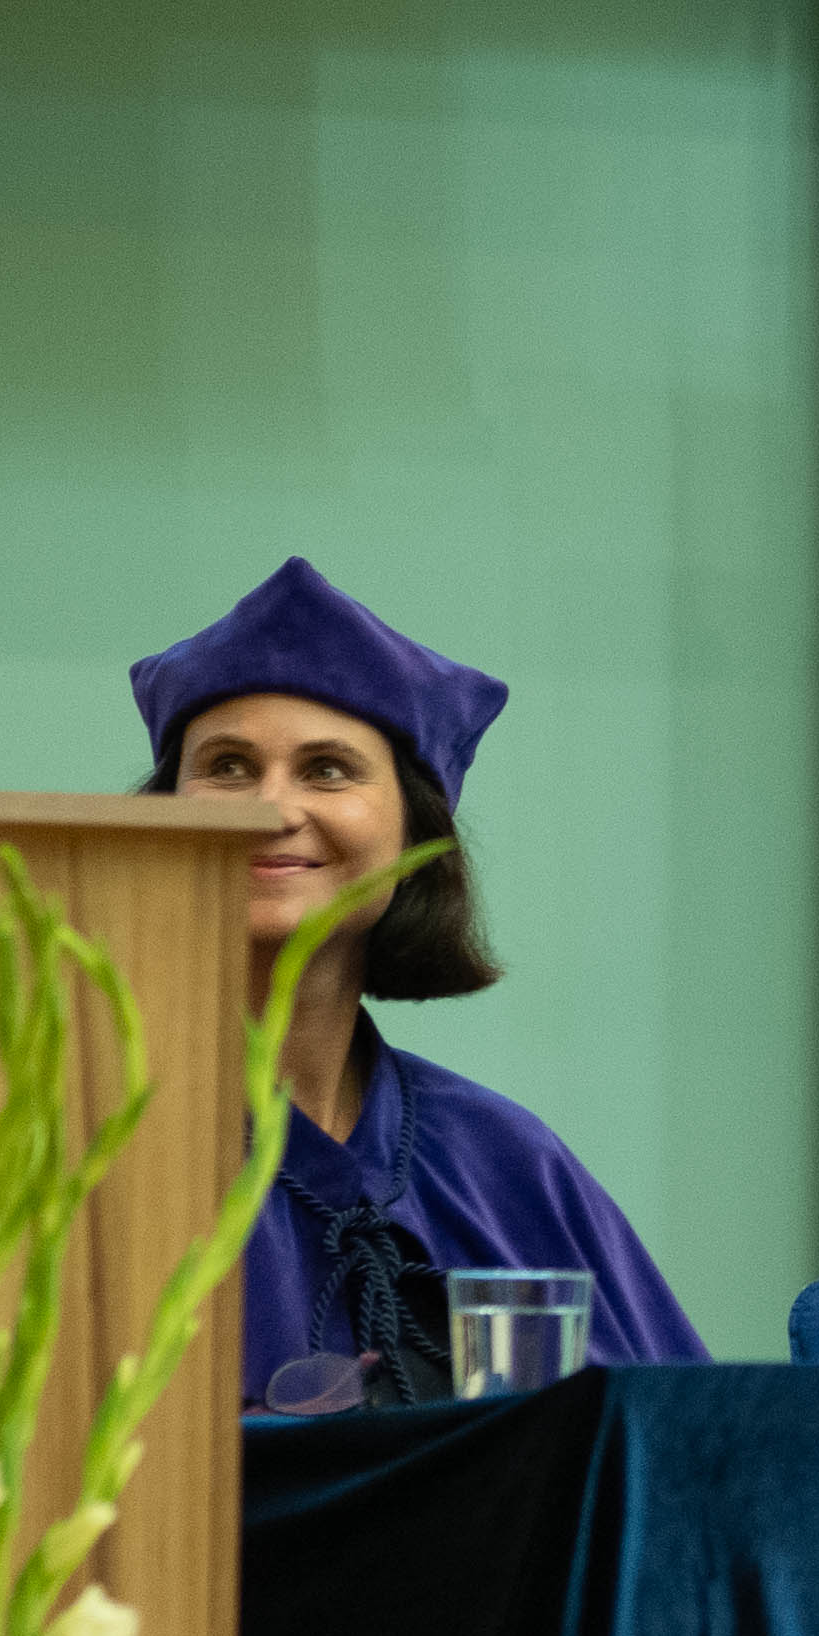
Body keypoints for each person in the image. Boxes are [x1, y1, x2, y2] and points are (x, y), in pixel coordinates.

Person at [133, 558, 706, 1407]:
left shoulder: (506, 1164)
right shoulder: (90, 1138)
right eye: (226, 767)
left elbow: (682, 1443)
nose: (271, 807)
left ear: (414, 831)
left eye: (328, 770)